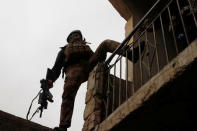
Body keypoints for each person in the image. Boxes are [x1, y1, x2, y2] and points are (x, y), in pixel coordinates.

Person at [46, 30, 143, 131]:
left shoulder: (85, 47)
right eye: (74, 34)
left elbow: (94, 56)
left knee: (105, 43)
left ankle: (131, 53)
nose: (76, 35)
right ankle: (63, 126)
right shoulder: (64, 50)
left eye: (78, 34)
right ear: (69, 38)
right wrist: (50, 79)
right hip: (73, 70)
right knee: (68, 94)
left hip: (88, 65)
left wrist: (100, 58)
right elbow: (57, 67)